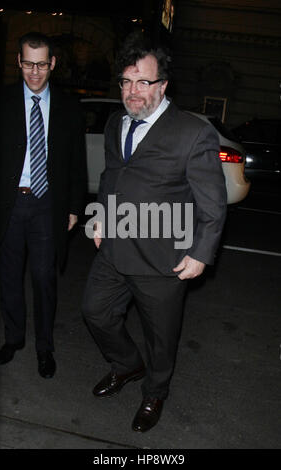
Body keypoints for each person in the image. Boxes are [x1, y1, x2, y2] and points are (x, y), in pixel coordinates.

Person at [82, 33, 227, 432]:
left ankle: (155, 391)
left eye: (143, 82)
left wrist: (200, 253)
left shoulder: (191, 133)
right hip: (114, 245)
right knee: (94, 311)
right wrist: (99, 217)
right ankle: (127, 365)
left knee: (161, 337)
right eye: (126, 81)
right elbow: (112, 176)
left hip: (164, 257)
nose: (133, 91)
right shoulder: (116, 122)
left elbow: (212, 203)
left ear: (163, 85)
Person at [0, 32, 87, 378]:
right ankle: (14, 339)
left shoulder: (68, 108)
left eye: (41, 64)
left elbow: (77, 164)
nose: (34, 73)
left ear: (53, 64)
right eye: (28, 64)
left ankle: (44, 347)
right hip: (10, 205)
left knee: (43, 278)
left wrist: (74, 208)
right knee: (8, 277)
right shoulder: (3, 101)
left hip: (47, 205)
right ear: (19, 62)